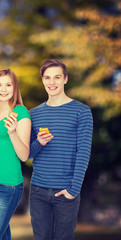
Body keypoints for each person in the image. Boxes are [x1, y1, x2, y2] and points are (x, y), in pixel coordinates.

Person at [28, 59, 93, 240]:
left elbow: (83, 152)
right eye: (47, 78)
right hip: (38, 191)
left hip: (66, 191)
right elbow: (28, 155)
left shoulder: (81, 111)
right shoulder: (34, 114)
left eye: (57, 77)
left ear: (65, 79)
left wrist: (73, 190)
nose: (52, 82)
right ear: (42, 81)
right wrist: (39, 143)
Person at [0, 68, 31, 240]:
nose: (3, 89)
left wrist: (12, 132)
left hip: (8, 186)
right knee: (2, 235)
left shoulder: (21, 113)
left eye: (8, 85)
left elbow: (25, 155)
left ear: (15, 87)